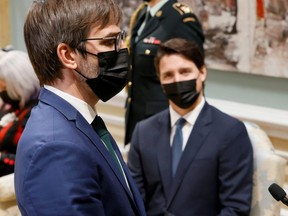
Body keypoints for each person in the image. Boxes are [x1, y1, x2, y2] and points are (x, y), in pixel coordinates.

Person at [14, 0, 146, 215]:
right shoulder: (55, 147)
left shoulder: (82, 120)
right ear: (68, 55)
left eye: (120, 38)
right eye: (109, 41)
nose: (122, 49)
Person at [127, 38, 253, 216]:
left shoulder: (230, 132)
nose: (177, 80)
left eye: (185, 72)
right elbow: (133, 202)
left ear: (202, 72)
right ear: (160, 81)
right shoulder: (143, 132)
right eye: (168, 75)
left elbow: (235, 209)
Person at [124, 0, 205, 144]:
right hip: (137, 121)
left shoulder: (180, 19)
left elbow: (191, 81)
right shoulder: (143, 14)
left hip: (166, 127)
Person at [0, 49, 40, 177]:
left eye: (4, 88)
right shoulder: (15, 106)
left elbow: (32, 162)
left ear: (20, 85)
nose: (1, 92)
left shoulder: (35, 115)